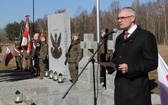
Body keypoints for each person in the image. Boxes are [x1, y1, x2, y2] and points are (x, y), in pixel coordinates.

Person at [111, 7, 158, 105]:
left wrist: (130, 68)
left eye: (122, 18)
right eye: (118, 18)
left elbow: (152, 62)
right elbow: (117, 58)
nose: (119, 21)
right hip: (120, 88)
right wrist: (109, 64)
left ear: (132, 18)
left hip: (136, 90)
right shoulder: (120, 38)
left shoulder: (146, 36)